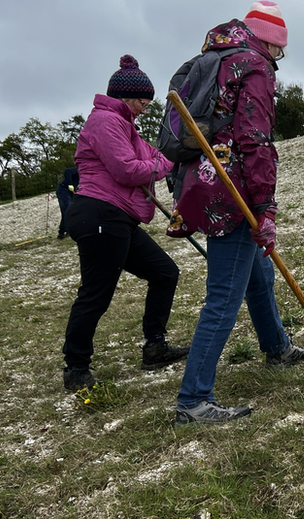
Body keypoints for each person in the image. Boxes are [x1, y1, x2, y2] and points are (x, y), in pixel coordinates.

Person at [170, 1, 304, 425]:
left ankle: (277, 347)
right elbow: (255, 141)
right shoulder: (254, 65)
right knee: (223, 296)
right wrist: (265, 207)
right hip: (231, 193)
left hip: (204, 181)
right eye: (279, 50)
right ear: (268, 42)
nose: (278, 58)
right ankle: (193, 400)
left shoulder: (211, 58)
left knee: (260, 275)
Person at [61, 55, 189, 391]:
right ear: (127, 98)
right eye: (143, 101)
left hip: (118, 218)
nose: (146, 108)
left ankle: (155, 346)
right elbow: (127, 169)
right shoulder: (104, 122)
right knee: (96, 294)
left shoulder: (124, 125)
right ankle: (76, 368)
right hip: (100, 214)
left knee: (164, 272)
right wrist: (161, 164)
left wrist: (158, 160)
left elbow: (153, 155)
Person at [55, 166, 79, 239]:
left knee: (71, 210)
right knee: (67, 210)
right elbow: (67, 171)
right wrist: (70, 183)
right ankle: (68, 231)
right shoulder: (79, 169)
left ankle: (62, 232)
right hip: (63, 190)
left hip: (71, 192)